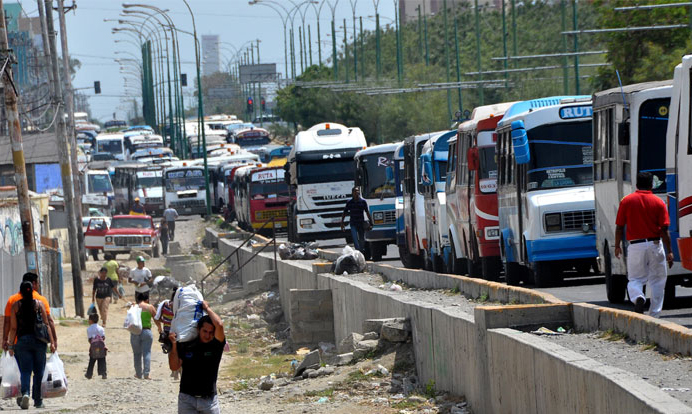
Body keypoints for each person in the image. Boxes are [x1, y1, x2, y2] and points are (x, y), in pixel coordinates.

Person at [614, 171, 674, 317]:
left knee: (635, 278)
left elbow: (620, 227)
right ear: (651, 185)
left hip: (635, 246)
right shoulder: (659, 202)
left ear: (636, 184)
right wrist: (669, 251)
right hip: (655, 244)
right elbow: (665, 229)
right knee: (658, 280)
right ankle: (654, 315)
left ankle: (638, 297)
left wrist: (617, 245)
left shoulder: (626, 201)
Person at [168, 301, 226, 413]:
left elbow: (219, 325)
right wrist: (174, 345)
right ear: (198, 329)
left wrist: (207, 308)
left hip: (209, 401)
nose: (207, 335)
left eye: (211, 332)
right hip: (187, 399)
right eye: (205, 331)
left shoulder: (216, 346)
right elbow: (174, 367)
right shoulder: (187, 344)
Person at [8, 281, 54, 409]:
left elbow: (13, 328)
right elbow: (46, 324)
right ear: (32, 290)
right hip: (39, 341)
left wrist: (10, 345)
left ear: (21, 292)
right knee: (39, 371)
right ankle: (38, 401)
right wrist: (52, 342)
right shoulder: (39, 304)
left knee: (25, 370)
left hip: (22, 342)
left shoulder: (15, 306)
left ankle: (26, 393)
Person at [3, 272, 57, 354]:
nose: (38, 285)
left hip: (19, 342)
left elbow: (7, 322)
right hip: (40, 340)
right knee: (39, 367)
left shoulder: (12, 300)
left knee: (22, 366)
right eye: (38, 283)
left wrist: (5, 339)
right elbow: (49, 322)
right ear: (34, 283)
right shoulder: (41, 300)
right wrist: (54, 340)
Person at [130, 292, 161, 380]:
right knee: (146, 352)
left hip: (135, 331)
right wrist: (159, 328)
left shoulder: (134, 306)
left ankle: (138, 374)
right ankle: (146, 374)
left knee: (136, 354)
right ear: (147, 299)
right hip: (146, 331)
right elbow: (156, 319)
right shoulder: (150, 307)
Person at [340, 187, 373, 255]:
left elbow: (367, 212)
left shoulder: (363, 202)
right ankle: (358, 251)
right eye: (355, 191)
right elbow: (345, 212)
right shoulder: (349, 202)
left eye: (358, 191)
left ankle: (361, 251)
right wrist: (342, 222)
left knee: (362, 239)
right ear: (352, 193)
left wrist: (371, 222)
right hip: (353, 223)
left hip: (361, 223)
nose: (357, 192)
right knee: (355, 238)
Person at [155, 291, 180, 379]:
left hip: (167, 331)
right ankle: (177, 371)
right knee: (178, 350)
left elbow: (159, 317)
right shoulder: (179, 306)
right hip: (177, 331)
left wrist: (166, 321)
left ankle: (174, 371)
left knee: (170, 350)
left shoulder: (165, 305)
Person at [85, 313, 107, 379]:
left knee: (92, 360)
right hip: (101, 347)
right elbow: (103, 337)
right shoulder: (101, 328)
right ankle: (103, 374)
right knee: (102, 359)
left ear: (91, 320)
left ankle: (89, 374)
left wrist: (93, 344)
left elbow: (89, 339)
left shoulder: (89, 329)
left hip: (93, 347)